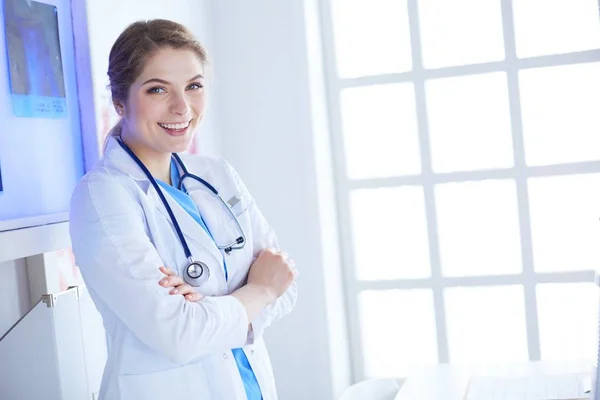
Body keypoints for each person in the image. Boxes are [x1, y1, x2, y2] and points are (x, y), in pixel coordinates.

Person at [69, 19, 298, 400]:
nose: (182, 107)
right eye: (157, 89)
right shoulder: (103, 196)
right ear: (119, 101)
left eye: (194, 86)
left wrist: (209, 309)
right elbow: (180, 335)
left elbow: (286, 285)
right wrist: (258, 289)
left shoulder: (217, 174)